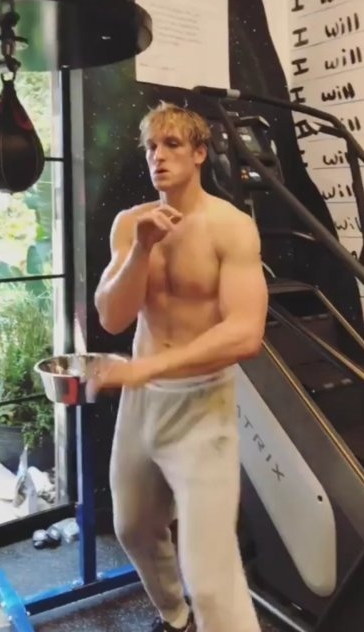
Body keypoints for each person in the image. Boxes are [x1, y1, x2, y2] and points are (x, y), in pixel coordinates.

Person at [93, 101, 268, 632]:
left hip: (202, 403)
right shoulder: (131, 224)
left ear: (199, 154)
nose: (158, 156)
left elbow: (246, 333)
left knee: (212, 579)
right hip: (142, 405)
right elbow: (112, 316)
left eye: (172, 145)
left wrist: (148, 368)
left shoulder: (230, 227)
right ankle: (175, 616)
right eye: (151, 147)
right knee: (133, 528)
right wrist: (142, 250)